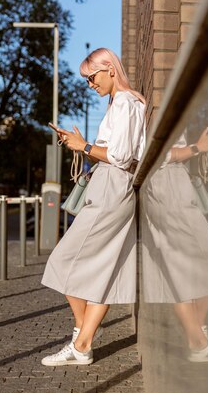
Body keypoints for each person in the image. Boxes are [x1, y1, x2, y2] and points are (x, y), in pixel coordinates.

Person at [40, 48, 145, 366]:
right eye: (86, 79)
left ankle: (81, 340)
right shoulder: (122, 103)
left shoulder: (126, 102)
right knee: (101, 271)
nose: (89, 83)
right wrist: (82, 143)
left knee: (63, 261)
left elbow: (122, 157)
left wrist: (83, 145)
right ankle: (82, 342)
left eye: (91, 77)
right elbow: (115, 153)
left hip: (112, 189)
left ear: (110, 69)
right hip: (112, 187)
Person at [142, 127, 208, 362]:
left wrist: (197, 146)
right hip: (167, 188)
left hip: (173, 185)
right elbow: (155, 154)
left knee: (200, 263)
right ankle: (197, 340)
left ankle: (197, 334)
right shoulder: (151, 101)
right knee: (206, 262)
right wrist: (196, 148)